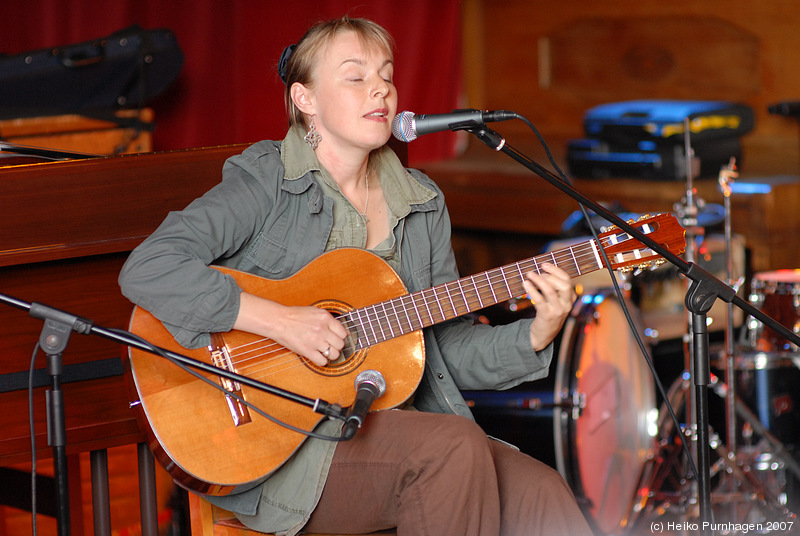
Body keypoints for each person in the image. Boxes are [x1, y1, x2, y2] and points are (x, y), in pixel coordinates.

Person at [119, 15, 593, 536]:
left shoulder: (421, 202)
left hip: (404, 433)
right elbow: (150, 267)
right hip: (285, 445)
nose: (381, 90)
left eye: (386, 75)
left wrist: (536, 332)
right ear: (306, 99)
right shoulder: (267, 182)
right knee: (451, 449)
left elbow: (445, 351)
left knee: (543, 495)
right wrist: (281, 321)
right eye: (355, 75)